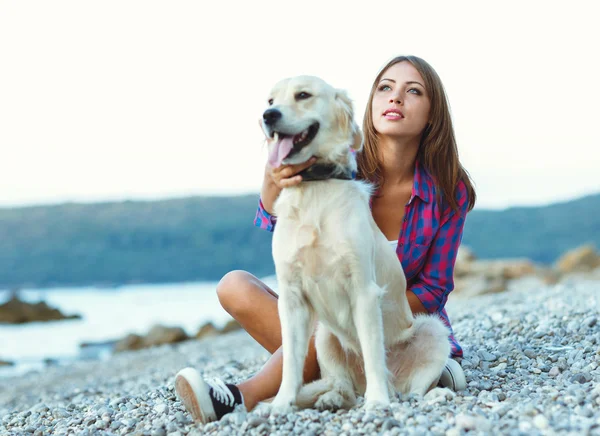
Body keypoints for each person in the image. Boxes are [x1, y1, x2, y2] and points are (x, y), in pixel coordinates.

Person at [174, 55, 477, 424]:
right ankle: (336, 380)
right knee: (235, 285)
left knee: (336, 315)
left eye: (412, 91)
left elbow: (434, 287)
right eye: (385, 88)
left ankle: (241, 397)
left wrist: (361, 323)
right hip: (332, 336)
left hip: (403, 332)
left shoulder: (449, 188)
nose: (395, 98)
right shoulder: (328, 159)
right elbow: (280, 235)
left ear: (432, 115)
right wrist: (274, 179)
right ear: (368, 106)